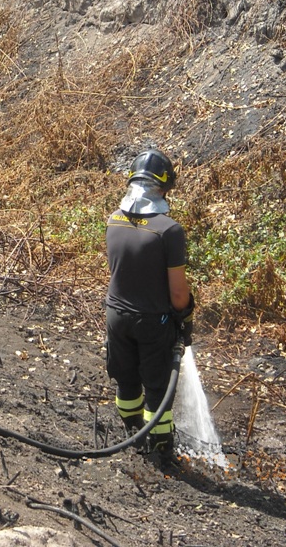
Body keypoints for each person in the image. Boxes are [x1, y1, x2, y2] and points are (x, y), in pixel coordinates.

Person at [105, 148, 193, 460]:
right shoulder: (168, 230)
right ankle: (159, 452)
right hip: (152, 323)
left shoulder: (113, 221)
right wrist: (185, 315)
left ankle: (131, 434)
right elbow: (179, 295)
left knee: (127, 380)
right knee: (157, 390)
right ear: (162, 188)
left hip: (115, 316)